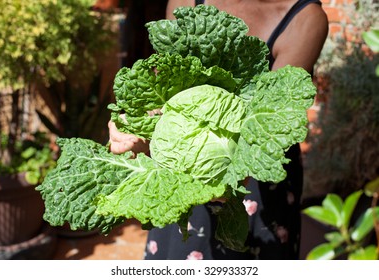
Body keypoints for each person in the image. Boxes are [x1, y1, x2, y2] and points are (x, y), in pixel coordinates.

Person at [108, 0, 328, 260]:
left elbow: (275, 114)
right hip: (178, 176)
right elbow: (165, 88)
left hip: (260, 175)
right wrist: (136, 127)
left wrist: (225, 172)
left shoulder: (305, 18)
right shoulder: (186, 1)